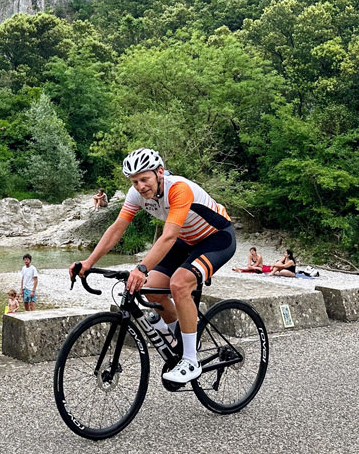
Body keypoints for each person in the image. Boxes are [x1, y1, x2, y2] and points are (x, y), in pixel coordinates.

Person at [71, 148, 236, 384]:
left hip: (216, 238)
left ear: (159, 172)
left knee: (179, 284)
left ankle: (191, 360)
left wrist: (141, 268)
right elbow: (117, 228)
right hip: (186, 241)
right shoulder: (136, 194)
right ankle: (183, 335)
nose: (140, 186)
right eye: (135, 181)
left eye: (144, 179)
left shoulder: (178, 189)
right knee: (150, 289)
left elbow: (168, 237)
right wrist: (88, 262)